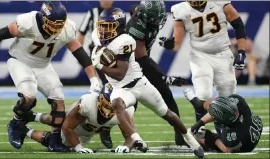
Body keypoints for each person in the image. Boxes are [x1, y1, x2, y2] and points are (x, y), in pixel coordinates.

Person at [91, 7, 204, 157]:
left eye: (108, 27)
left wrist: (99, 65)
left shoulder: (126, 40)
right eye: (102, 26)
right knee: (117, 104)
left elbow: (120, 73)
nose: (103, 31)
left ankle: (189, 139)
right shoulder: (97, 36)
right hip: (120, 89)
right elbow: (95, 40)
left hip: (139, 83)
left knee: (167, 113)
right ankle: (136, 139)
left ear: (118, 27)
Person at [0, 1, 101, 152]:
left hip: (43, 65)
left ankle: (54, 141)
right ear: (43, 18)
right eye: (53, 24)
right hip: (20, 60)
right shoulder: (28, 22)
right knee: (29, 96)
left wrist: (93, 79)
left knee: (59, 101)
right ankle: (16, 124)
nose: (56, 28)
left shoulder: (67, 28)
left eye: (59, 25)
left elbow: (79, 53)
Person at [159, 1, 246, 123]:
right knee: (203, 92)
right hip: (200, 55)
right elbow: (177, 44)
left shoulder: (219, 2)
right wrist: (170, 44)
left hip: (223, 53)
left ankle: (223, 130)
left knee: (228, 97)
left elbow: (238, 25)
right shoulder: (180, 9)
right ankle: (201, 129)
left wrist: (242, 51)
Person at [125, 0, 187, 146]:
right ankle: (119, 134)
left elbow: (133, 8)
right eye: (154, 19)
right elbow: (142, 60)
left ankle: (180, 134)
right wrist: (166, 78)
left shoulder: (146, 14)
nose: (158, 21)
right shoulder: (137, 25)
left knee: (166, 94)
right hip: (129, 65)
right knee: (130, 102)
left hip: (142, 60)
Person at [18, 84, 139, 153]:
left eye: (112, 106)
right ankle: (24, 130)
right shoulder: (88, 103)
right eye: (106, 104)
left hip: (89, 130)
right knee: (60, 134)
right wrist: (78, 147)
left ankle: (31, 116)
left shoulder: (125, 110)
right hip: (77, 125)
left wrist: (126, 147)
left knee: (65, 124)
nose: (108, 109)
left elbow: (131, 135)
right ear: (99, 99)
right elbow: (67, 127)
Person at [77, 0, 114, 149]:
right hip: (97, 57)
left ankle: (105, 128)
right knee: (99, 91)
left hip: (113, 58)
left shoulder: (116, 14)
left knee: (112, 93)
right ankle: (90, 126)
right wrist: (80, 56)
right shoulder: (92, 13)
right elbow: (81, 34)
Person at [183, 88, 263, 153]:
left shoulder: (231, 136)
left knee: (202, 139)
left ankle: (200, 107)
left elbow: (227, 150)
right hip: (249, 126)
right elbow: (223, 109)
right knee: (217, 104)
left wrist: (214, 138)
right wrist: (200, 123)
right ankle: (199, 106)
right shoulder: (238, 100)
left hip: (243, 145)